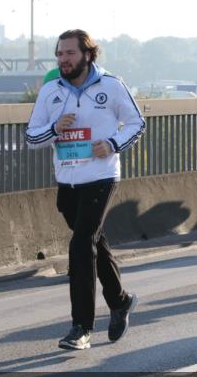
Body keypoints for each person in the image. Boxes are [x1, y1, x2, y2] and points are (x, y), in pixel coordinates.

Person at [25, 29, 146, 351]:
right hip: (67, 182)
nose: (63, 59)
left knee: (80, 245)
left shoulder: (111, 85)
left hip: (101, 177)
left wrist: (112, 144)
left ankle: (81, 327)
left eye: (70, 53)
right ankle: (120, 301)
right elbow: (31, 136)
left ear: (87, 54)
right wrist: (54, 129)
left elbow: (137, 123)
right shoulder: (50, 91)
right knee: (94, 241)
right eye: (60, 54)